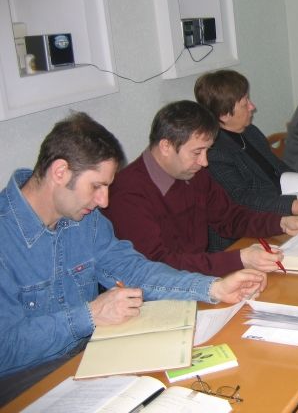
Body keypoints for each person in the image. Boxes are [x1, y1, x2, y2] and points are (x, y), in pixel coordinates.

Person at [0, 112, 267, 405]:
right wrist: (89, 315)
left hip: (90, 358)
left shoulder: (84, 219)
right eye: (97, 186)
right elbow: (4, 348)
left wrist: (212, 287)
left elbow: (134, 271)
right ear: (60, 172)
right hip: (23, 381)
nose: (104, 201)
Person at [103, 100, 298, 276]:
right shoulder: (127, 193)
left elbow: (230, 218)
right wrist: (239, 259)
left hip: (199, 277)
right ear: (166, 146)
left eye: (207, 151)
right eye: (197, 152)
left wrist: (281, 222)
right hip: (160, 294)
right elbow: (158, 265)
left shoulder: (192, 172)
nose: (204, 162)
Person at [194, 71, 298, 250]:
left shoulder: (250, 132)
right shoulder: (213, 151)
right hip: (243, 237)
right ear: (224, 115)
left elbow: (278, 168)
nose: (252, 107)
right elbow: (243, 199)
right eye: (245, 103)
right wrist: (295, 206)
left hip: (278, 215)